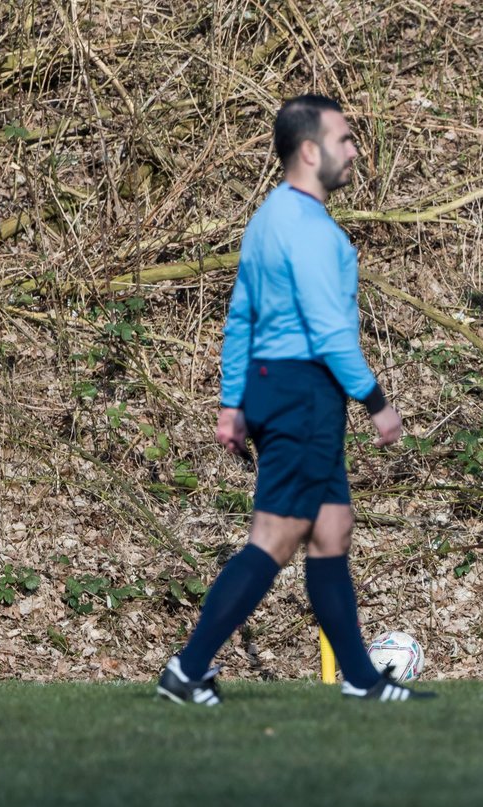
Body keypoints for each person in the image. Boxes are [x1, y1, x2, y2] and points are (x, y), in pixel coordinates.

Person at [157, 94, 431, 704]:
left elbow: (240, 318)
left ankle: (361, 680)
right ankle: (187, 668)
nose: (354, 150)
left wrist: (233, 402)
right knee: (277, 537)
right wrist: (377, 401)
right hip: (304, 392)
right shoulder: (309, 229)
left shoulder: (268, 217)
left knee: (332, 529)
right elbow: (330, 331)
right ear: (310, 150)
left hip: (274, 388)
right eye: (344, 139)